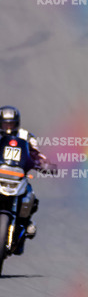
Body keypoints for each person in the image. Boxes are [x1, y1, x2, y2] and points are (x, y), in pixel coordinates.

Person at [0, 106, 52, 254]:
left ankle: (25, 224)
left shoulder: (26, 136)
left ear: (17, 123)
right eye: (5, 124)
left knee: (30, 197)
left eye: (11, 124)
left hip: (18, 176)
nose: (8, 127)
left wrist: (45, 164)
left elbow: (36, 154)